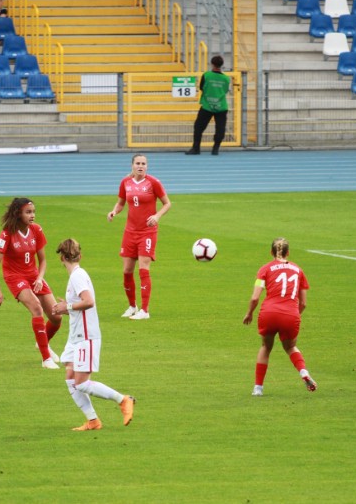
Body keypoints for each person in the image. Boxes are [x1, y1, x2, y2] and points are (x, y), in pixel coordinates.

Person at [51, 238, 135, 431]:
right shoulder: (78, 275)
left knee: (80, 383)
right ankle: (93, 421)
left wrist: (69, 305)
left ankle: (123, 400)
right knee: (70, 376)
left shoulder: (77, 277)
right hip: (76, 336)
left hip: (86, 337)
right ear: (80, 255)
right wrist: (67, 308)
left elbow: (88, 301)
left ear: (61, 258)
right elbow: (82, 304)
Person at [0, 197, 62, 369]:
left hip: (33, 276)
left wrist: (39, 278)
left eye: (33, 212)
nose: (32, 215)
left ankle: (42, 341)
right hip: (15, 277)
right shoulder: (7, 234)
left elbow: (43, 260)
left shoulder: (37, 230)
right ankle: (46, 359)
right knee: (36, 308)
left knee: (56, 315)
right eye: (28, 212)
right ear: (18, 214)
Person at [243, 237, 317, 396]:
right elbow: (303, 303)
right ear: (288, 252)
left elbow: (255, 297)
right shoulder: (299, 270)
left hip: (268, 313)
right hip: (291, 314)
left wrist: (249, 313)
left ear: (271, 252)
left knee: (266, 347)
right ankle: (303, 372)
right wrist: (294, 314)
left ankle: (258, 388)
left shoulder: (264, 269)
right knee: (290, 347)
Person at [107, 153, 172, 320]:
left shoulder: (153, 182)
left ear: (147, 166)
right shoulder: (125, 182)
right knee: (127, 271)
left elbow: (167, 203)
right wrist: (114, 211)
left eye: (143, 163)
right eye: (138, 163)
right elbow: (121, 203)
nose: (140, 166)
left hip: (147, 233)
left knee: (143, 269)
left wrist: (156, 217)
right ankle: (132, 306)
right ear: (132, 165)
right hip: (130, 232)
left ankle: (145, 310)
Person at [185, 55, 230, 156]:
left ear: (212, 64)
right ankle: (215, 149)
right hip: (221, 106)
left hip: (207, 105)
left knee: (198, 127)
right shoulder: (226, 78)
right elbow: (226, 90)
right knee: (220, 129)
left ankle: (196, 148)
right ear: (221, 65)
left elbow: (201, 87)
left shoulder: (206, 75)